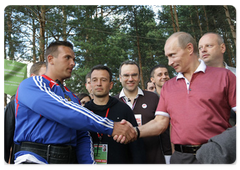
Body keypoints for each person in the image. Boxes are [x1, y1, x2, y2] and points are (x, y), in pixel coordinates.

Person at [115, 32, 237, 165]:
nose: (170, 62)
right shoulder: (168, 86)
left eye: (172, 55)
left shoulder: (225, 76)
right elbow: (160, 123)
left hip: (216, 157)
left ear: (189, 48)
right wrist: (135, 131)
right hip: (181, 159)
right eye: (167, 57)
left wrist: (224, 146)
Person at [13, 41, 136, 165]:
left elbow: (82, 134)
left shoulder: (72, 97)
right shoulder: (32, 84)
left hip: (68, 161)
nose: (73, 63)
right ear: (50, 59)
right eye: (67, 58)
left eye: (73, 59)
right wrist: (111, 126)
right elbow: (64, 111)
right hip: (36, 159)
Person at [85, 65, 146, 164]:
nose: (99, 84)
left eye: (103, 80)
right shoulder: (84, 112)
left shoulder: (124, 109)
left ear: (110, 85)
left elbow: (137, 147)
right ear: (90, 84)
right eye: (95, 80)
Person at [115, 60, 166, 164]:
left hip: (153, 160)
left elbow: (164, 129)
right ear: (120, 78)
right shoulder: (113, 102)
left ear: (139, 77)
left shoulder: (153, 98)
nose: (130, 79)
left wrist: (168, 155)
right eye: (126, 75)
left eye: (134, 75)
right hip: (124, 161)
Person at [2, 61, 47, 165]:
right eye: (45, 76)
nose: (49, 81)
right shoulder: (14, 105)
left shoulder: (55, 105)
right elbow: (4, 141)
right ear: (33, 77)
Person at [198, 32, 237, 126]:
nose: (203, 50)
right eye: (200, 48)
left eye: (209, 45)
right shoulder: (194, 82)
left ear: (222, 48)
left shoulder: (236, 75)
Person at [150, 65, 172, 164]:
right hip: (155, 152)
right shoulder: (148, 100)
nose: (164, 76)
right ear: (152, 79)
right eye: (160, 74)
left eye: (166, 74)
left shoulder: (178, 96)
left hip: (176, 151)